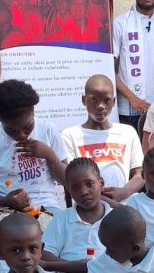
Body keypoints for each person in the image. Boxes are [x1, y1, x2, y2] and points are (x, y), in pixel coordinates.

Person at [0, 79, 69, 214]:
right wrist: (5, 201)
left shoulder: (48, 130)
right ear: (0, 119)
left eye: (27, 127)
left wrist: (49, 155)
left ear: (33, 112)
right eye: (11, 130)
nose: (20, 136)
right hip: (7, 209)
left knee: (55, 224)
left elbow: (67, 180)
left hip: (47, 205)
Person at [61, 74, 143, 202]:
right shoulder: (70, 136)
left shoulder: (127, 132)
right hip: (88, 206)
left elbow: (140, 175)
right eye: (94, 100)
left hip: (123, 205)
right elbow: (70, 179)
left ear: (114, 102)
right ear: (84, 100)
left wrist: (124, 192)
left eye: (106, 100)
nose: (101, 106)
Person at [42, 157, 110, 273]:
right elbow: (45, 253)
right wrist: (72, 268)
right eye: (75, 188)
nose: (84, 192)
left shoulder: (115, 218)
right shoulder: (62, 218)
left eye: (89, 184)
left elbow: (125, 256)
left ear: (101, 183)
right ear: (69, 191)